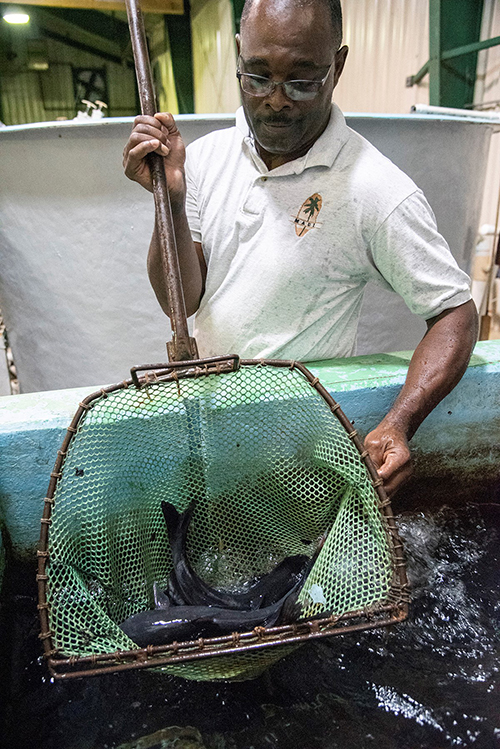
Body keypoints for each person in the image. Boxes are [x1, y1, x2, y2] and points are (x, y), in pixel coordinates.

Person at [123, 0, 478, 497]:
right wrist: (173, 205)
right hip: (207, 431)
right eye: (258, 76)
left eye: (302, 81)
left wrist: (398, 423)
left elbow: (455, 314)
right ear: (239, 56)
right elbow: (179, 301)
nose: (276, 100)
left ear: (339, 66)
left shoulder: (376, 190)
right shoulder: (202, 159)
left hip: (303, 456)